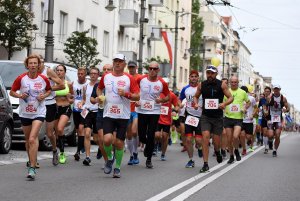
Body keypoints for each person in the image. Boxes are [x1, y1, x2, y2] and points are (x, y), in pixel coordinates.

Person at [97, 53, 140, 178]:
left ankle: (117, 168)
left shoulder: (129, 78)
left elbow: (137, 95)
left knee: (119, 143)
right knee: (107, 139)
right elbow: (99, 89)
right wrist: (100, 96)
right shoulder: (106, 76)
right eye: (115, 61)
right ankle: (110, 158)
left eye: (120, 61)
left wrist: (127, 94)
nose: (117, 63)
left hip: (123, 115)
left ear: (124, 64)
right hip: (109, 113)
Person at [10, 54, 51, 179]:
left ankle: (32, 167)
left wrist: (43, 96)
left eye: (35, 63)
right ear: (27, 65)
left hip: (39, 112)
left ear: (38, 65)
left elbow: (49, 90)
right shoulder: (21, 78)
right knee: (28, 140)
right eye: (31, 63)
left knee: (33, 138)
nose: (33, 65)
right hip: (25, 112)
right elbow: (12, 91)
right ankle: (31, 159)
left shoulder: (43, 79)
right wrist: (20, 96)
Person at [193, 65, 233, 173]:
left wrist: (224, 103)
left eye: (212, 73)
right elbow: (195, 96)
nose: (210, 75)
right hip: (205, 116)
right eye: (208, 73)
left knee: (216, 142)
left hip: (217, 117)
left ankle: (218, 151)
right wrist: (196, 104)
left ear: (216, 74)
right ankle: (205, 164)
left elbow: (231, 97)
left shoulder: (222, 84)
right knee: (205, 137)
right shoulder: (202, 85)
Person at [136, 61, 170, 169]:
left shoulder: (162, 83)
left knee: (151, 135)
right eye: (150, 68)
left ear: (158, 70)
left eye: (155, 69)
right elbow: (134, 90)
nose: (152, 70)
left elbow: (168, 96)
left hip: (154, 111)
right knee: (141, 135)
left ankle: (149, 159)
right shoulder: (141, 79)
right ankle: (148, 145)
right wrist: (136, 99)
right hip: (141, 110)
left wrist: (161, 100)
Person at [39, 56, 65, 166]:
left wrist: (48, 89)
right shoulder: (31, 72)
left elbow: (62, 85)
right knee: (34, 133)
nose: (37, 65)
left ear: (43, 62)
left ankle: (55, 150)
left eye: (39, 62)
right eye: (35, 62)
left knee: (49, 133)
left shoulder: (48, 71)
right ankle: (32, 159)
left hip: (49, 103)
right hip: (37, 104)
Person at [224, 76, 250, 164]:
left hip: (238, 118)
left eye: (235, 82)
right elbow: (223, 102)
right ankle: (231, 156)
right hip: (228, 117)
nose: (234, 83)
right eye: (232, 82)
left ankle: (236, 150)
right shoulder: (226, 92)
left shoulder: (242, 92)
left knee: (235, 136)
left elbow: (248, 102)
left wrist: (245, 108)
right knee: (229, 139)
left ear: (238, 83)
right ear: (230, 83)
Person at [179, 70, 203, 168]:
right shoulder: (185, 89)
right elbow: (180, 99)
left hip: (200, 117)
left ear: (198, 78)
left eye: (195, 76)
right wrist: (179, 105)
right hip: (189, 116)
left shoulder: (201, 88)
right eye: (191, 76)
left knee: (198, 140)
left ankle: (200, 148)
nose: (193, 78)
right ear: (189, 77)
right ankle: (190, 160)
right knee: (188, 139)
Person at [54, 65, 74, 164]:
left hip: (65, 107)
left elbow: (72, 97)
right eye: (57, 70)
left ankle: (62, 153)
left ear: (64, 72)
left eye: (61, 70)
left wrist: (70, 99)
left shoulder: (68, 84)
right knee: (56, 132)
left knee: (60, 128)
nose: (59, 72)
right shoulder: (52, 84)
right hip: (54, 108)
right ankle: (56, 150)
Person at [81, 67, 101, 166]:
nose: (93, 75)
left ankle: (101, 148)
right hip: (87, 111)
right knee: (87, 133)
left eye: (95, 73)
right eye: (91, 73)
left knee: (97, 138)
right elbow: (84, 99)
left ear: (98, 75)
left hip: (97, 112)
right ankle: (88, 157)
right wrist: (81, 104)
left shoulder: (100, 87)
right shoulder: (85, 86)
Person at [155, 90, 179, 161]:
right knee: (157, 135)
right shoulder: (156, 93)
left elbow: (177, 105)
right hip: (157, 118)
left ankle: (163, 154)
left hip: (167, 120)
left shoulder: (171, 95)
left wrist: (175, 111)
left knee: (165, 137)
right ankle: (155, 145)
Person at [266, 84, 289, 157]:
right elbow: (267, 103)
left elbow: (288, 108)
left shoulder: (283, 98)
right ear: (273, 90)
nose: (276, 90)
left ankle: (275, 150)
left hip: (278, 119)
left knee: (278, 135)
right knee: (270, 135)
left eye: (277, 89)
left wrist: (286, 110)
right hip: (270, 118)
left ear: (279, 90)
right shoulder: (270, 97)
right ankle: (270, 141)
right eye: (275, 89)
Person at [126, 60, 142, 165]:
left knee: (135, 131)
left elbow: (142, 90)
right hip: (127, 108)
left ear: (136, 67)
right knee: (129, 134)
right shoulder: (125, 77)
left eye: (133, 67)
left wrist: (139, 99)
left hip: (136, 108)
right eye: (130, 67)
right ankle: (132, 155)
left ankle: (136, 152)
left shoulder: (140, 78)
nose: (131, 69)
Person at [73, 67, 90, 161]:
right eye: (78, 73)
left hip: (85, 109)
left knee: (81, 128)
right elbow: (71, 95)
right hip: (75, 109)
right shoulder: (74, 83)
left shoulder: (88, 84)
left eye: (82, 74)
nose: (80, 75)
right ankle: (82, 145)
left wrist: (83, 103)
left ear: (85, 74)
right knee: (78, 130)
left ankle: (78, 152)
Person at [240, 86, 257, 155]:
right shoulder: (238, 98)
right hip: (240, 120)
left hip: (249, 120)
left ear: (246, 92)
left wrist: (253, 114)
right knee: (242, 135)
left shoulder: (251, 98)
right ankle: (244, 149)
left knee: (248, 136)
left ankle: (249, 140)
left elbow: (256, 108)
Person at [258, 87, 272, 154]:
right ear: (264, 92)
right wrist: (260, 111)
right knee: (265, 133)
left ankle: (270, 141)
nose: (267, 92)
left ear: (270, 92)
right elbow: (259, 108)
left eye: (268, 91)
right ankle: (266, 147)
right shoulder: (262, 100)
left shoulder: (272, 99)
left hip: (271, 118)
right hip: (264, 118)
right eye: (265, 91)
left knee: (270, 134)